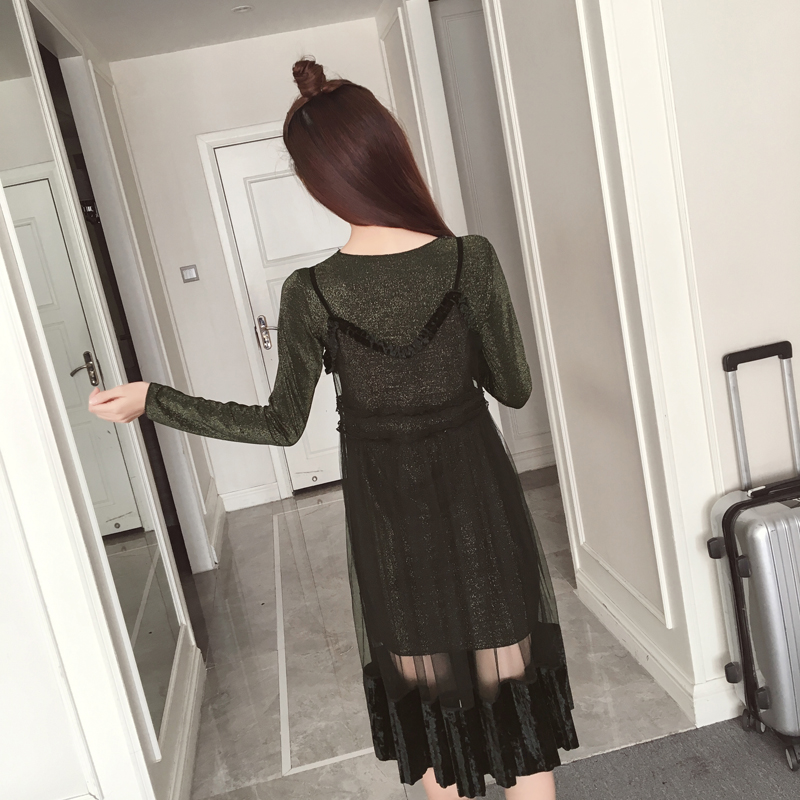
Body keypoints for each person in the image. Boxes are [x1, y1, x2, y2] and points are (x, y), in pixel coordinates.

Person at [88, 58, 579, 799]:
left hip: (392, 530)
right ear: (389, 150)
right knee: (517, 716)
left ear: (317, 180)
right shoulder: (468, 259)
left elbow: (281, 425)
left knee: (434, 719)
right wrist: (456, 345)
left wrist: (155, 400)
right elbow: (514, 389)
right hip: (482, 510)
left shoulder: (311, 291)